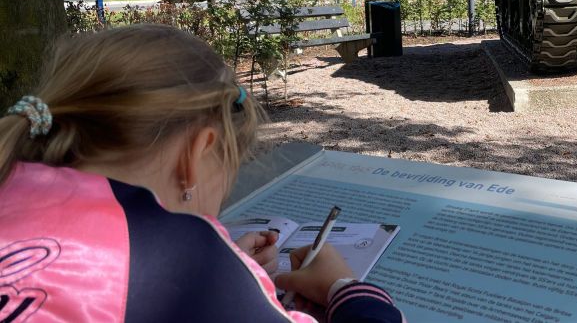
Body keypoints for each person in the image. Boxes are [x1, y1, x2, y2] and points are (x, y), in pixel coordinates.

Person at [0, 24, 404, 323]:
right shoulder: (186, 259)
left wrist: (231, 273)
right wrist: (346, 290)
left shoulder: (12, 173)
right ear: (197, 152)